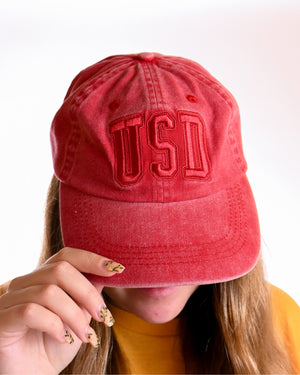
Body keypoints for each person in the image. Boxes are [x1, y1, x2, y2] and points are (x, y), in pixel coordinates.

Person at [0, 52, 299, 375]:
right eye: (133, 229)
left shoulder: (282, 322)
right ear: (66, 210)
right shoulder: (13, 327)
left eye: (190, 228)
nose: (162, 268)